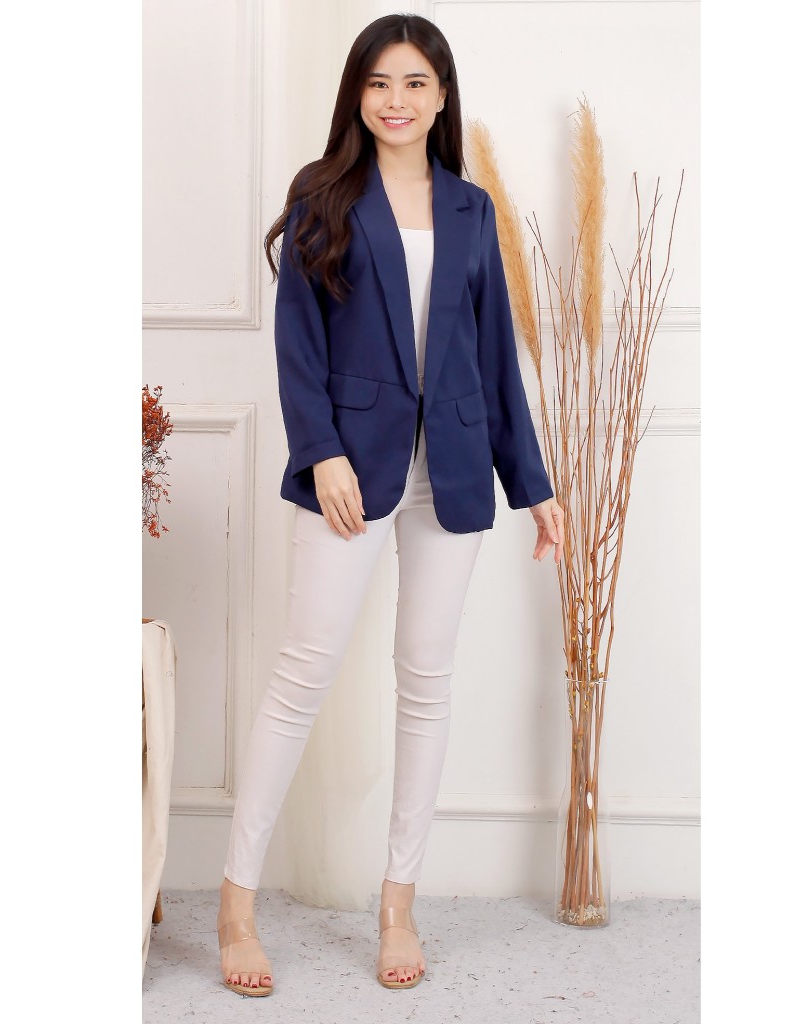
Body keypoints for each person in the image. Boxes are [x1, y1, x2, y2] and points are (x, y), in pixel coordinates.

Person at [215, 12, 565, 997]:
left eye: (415, 82)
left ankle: (398, 902)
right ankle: (236, 902)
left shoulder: (471, 210)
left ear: (442, 95)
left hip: (451, 468)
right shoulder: (323, 194)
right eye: (378, 82)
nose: (396, 100)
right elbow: (297, 341)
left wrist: (534, 487)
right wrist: (320, 450)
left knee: (426, 680)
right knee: (302, 672)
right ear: (357, 94)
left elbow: (494, 360)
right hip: (351, 471)